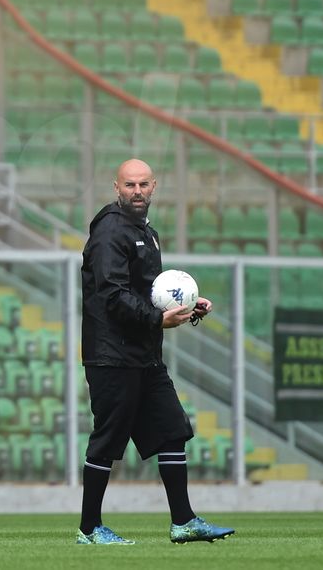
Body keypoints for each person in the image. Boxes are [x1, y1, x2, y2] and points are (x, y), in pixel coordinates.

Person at [77, 159, 232, 545]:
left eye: (143, 184)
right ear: (117, 187)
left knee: (171, 432)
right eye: (130, 185)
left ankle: (183, 521)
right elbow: (112, 294)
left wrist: (188, 304)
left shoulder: (148, 232)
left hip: (143, 354)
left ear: (154, 186)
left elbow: (147, 291)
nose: (137, 191)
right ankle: (89, 529)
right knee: (108, 439)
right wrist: (157, 320)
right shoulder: (111, 230)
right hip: (112, 355)